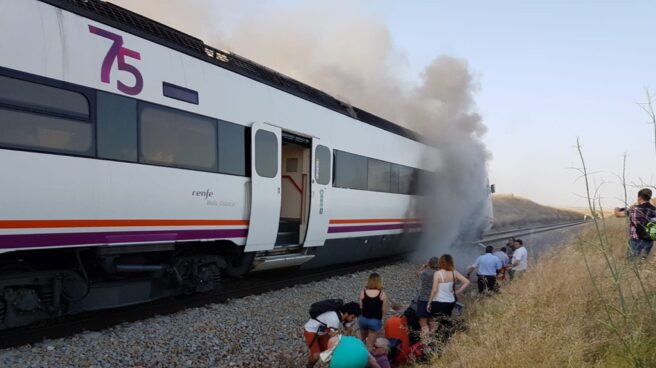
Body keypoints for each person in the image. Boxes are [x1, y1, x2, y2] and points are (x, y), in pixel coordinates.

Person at [304, 301, 362, 368]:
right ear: (346, 314)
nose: (353, 319)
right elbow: (334, 337)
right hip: (311, 331)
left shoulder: (344, 317)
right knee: (316, 355)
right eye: (353, 317)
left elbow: (348, 331)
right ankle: (309, 366)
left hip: (323, 333)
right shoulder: (334, 318)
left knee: (332, 352)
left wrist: (354, 341)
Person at [427, 255, 470, 331]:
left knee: (435, 321)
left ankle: (438, 338)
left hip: (439, 302)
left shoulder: (437, 273)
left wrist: (429, 303)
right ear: (451, 262)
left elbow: (434, 290)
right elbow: (467, 282)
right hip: (450, 301)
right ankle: (447, 335)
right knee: (446, 320)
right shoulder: (454, 272)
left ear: (440, 262)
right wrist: (456, 292)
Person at [617, 189, 656, 260]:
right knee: (642, 262)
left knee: (631, 265)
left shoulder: (635, 210)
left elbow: (618, 214)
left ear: (640, 197)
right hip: (649, 240)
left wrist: (616, 209)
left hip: (636, 241)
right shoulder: (654, 210)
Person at [359, 273, 388, 350]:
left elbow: (361, 307)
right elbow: (384, 310)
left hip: (363, 319)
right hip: (374, 321)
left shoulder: (363, 292)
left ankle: (357, 356)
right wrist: (381, 319)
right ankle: (367, 360)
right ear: (379, 282)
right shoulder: (382, 294)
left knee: (361, 341)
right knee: (369, 346)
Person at [415, 257, 439, 334]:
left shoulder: (426, 273)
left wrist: (424, 266)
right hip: (436, 300)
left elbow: (418, 274)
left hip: (424, 299)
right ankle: (434, 339)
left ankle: (426, 342)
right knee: (432, 320)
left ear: (429, 264)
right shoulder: (440, 274)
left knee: (423, 322)